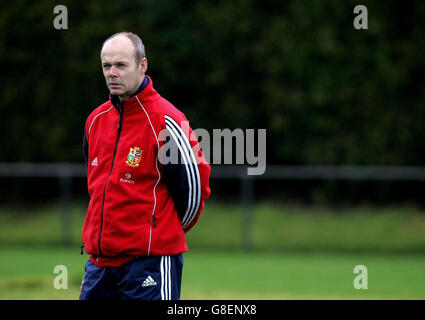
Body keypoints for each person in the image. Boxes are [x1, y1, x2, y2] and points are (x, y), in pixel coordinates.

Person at [79, 32, 211, 300]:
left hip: (149, 264)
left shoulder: (167, 121)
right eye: (107, 66)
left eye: (121, 65)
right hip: (100, 264)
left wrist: (159, 231)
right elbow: (97, 187)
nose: (112, 73)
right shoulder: (95, 120)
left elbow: (194, 194)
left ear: (142, 66)